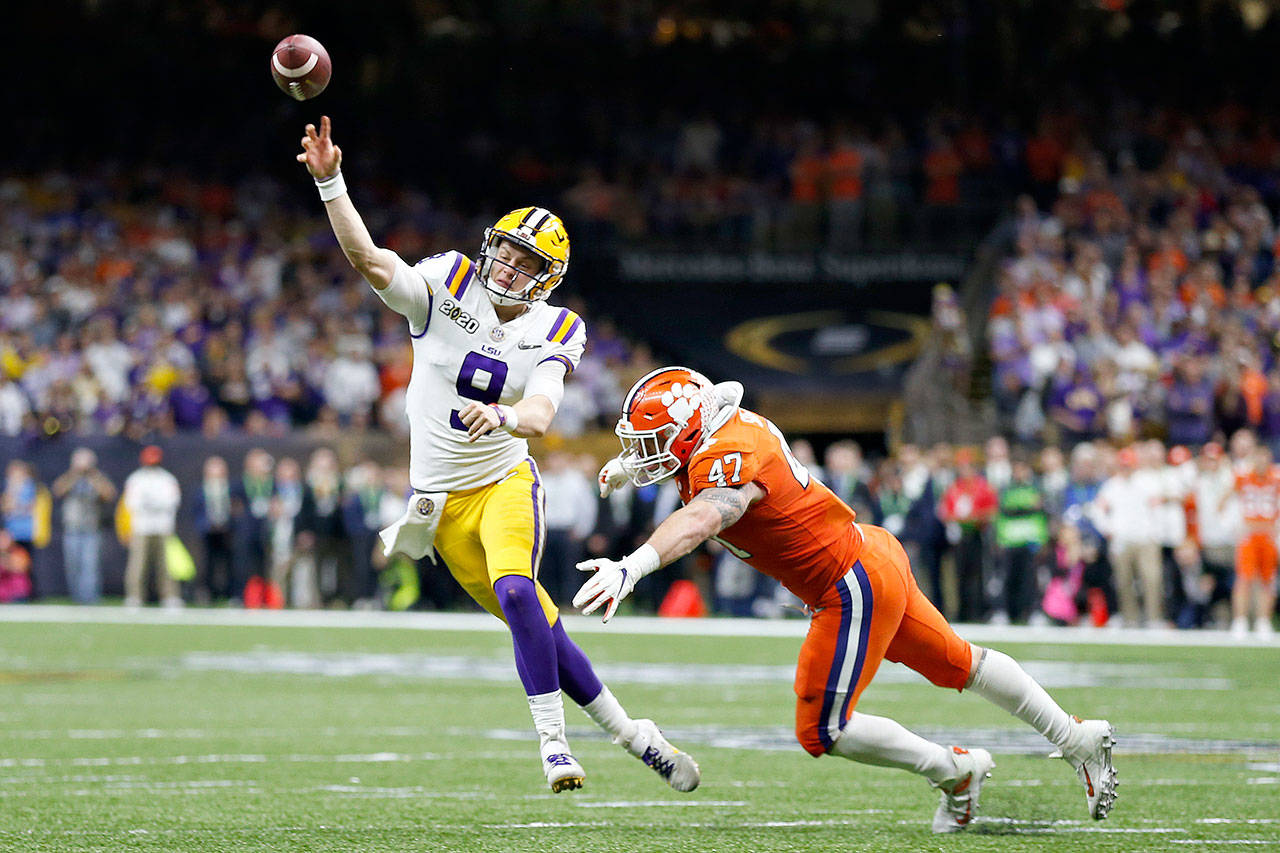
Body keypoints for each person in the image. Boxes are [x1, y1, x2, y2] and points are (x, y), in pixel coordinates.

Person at [295, 115, 699, 794]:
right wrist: (331, 179)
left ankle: (553, 747)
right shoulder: (449, 280)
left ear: (549, 278)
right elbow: (367, 258)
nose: (509, 265)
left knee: (518, 590)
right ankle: (635, 734)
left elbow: (542, 410)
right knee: (538, 622)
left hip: (503, 479)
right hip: (439, 505)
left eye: (526, 261)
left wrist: (506, 415)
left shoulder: (556, 326)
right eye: (506, 251)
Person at [578, 366, 1117, 833]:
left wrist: (634, 566)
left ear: (687, 432)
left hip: (847, 581)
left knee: (820, 729)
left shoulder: (729, 453)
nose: (640, 456)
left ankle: (955, 770)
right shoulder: (721, 430)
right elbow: (698, 471)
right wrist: (632, 464)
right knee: (958, 663)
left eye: (648, 444)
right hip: (869, 555)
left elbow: (706, 514)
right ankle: (1075, 737)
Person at [51, 448, 117, 604]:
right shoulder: (70, 477)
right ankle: (77, 598)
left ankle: (90, 600)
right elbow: (58, 490)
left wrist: (93, 475)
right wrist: (74, 474)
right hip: (72, 528)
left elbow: (109, 494)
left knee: (90, 566)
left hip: (91, 528)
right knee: (73, 566)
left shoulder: (97, 478)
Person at [120, 445, 182, 609]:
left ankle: (170, 596)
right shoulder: (136, 479)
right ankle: (134, 596)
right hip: (142, 527)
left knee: (167, 565)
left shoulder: (168, 479)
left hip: (163, 527)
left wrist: (151, 503)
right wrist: (154, 503)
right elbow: (131, 503)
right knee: (138, 564)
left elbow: (172, 501)